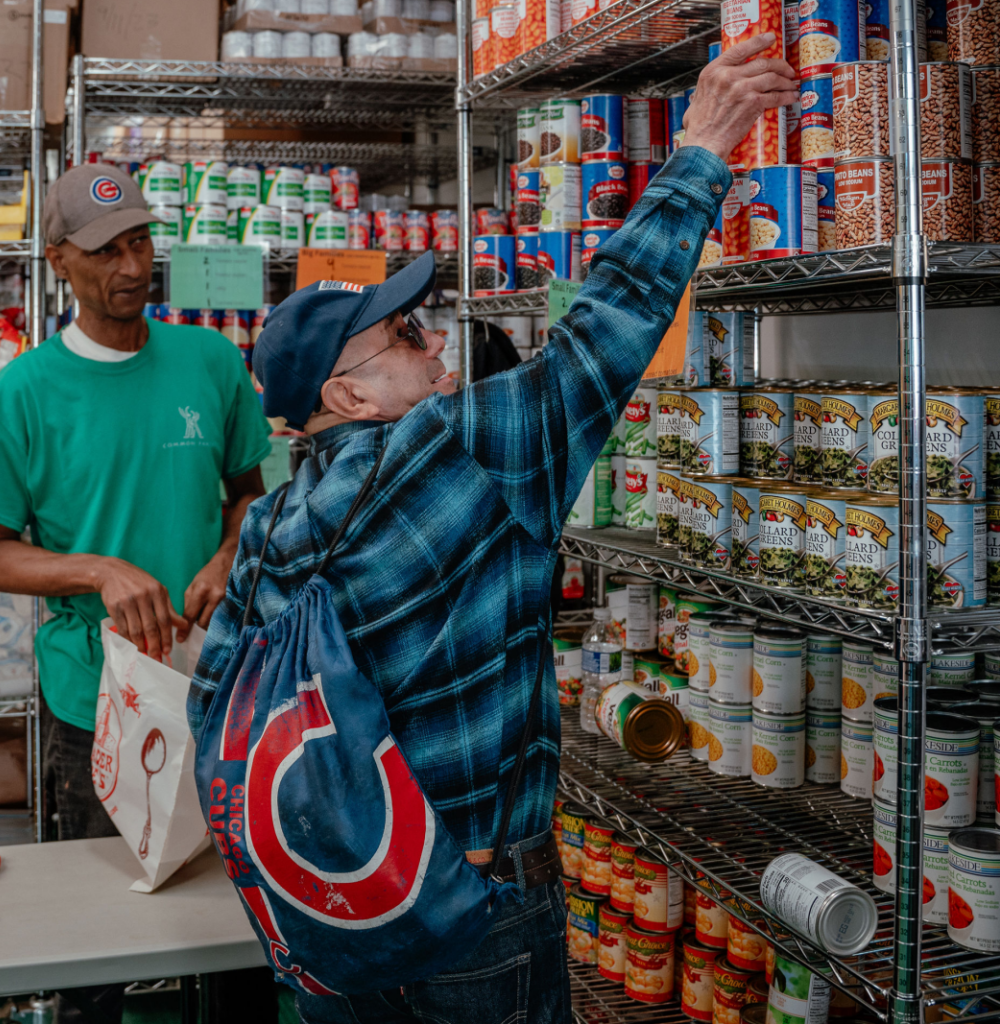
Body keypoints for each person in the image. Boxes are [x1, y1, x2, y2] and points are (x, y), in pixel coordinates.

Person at [187, 36, 797, 1024]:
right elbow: (605, 330)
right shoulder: (449, 451)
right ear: (346, 391)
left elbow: (219, 708)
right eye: (404, 335)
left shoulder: (269, 522)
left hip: (336, 903)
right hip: (470, 897)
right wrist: (701, 147)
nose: (434, 342)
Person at [0, 164, 279, 1023]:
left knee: (234, 919)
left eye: (139, 242)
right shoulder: (27, 388)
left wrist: (229, 552)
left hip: (217, 686)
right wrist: (96, 569)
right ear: (59, 260)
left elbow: (251, 493)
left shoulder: (208, 361)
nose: (130, 267)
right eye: (105, 251)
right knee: (96, 932)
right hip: (93, 700)